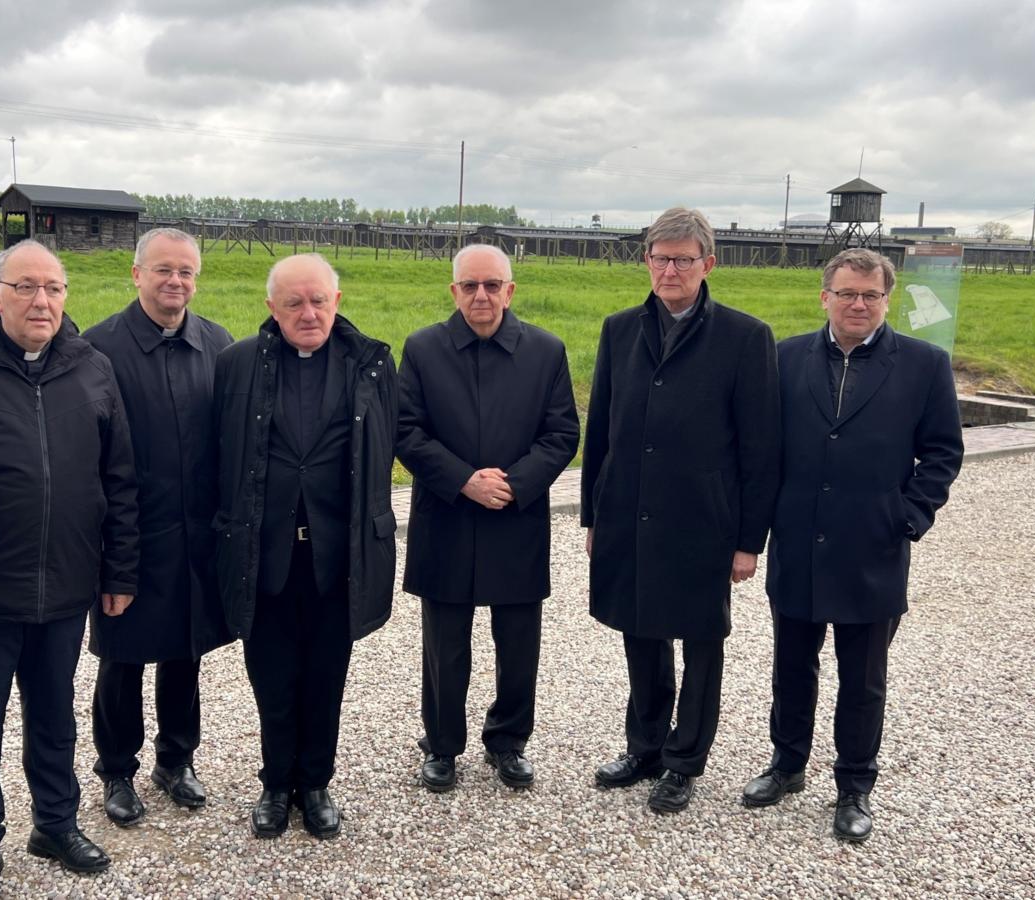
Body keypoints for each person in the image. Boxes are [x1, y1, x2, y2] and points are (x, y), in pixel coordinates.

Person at [0, 240, 139, 900]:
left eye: (55, 289)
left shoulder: (91, 367)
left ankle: (56, 824)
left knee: (54, 716)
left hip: (67, 584)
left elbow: (118, 476)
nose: (43, 301)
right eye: (27, 287)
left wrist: (119, 571)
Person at [743, 248, 963, 842]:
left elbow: (942, 452)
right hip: (798, 543)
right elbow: (763, 451)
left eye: (869, 295)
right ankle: (787, 766)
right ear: (825, 297)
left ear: (886, 300)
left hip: (873, 548)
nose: (857, 304)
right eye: (846, 293)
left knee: (863, 678)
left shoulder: (922, 365)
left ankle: (855, 785)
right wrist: (756, 530)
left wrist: (908, 515)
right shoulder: (785, 359)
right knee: (792, 667)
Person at [581, 207, 780, 815]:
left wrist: (749, 541)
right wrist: (593, 514)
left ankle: (684, 760)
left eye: (683, 259)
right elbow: (604, 430)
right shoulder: (620, 330)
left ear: (707, 264)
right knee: (640, 633)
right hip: (629, 510)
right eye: (659, 257)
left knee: (700, 639)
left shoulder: (746, 338)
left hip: (702, 518)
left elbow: (761, 447)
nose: (669, 269)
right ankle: (644, 746)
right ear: (647, 261)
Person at [211, 253, 398, 839]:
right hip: (263, 555)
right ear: (272, 308)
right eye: (293, 302)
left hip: (336, 556)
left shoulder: (369, 365)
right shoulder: (237, 363)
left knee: (325, 675)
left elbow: (389, 447)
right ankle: (274, 783)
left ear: (337, 301)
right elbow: (219, 451)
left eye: (318, 300)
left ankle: (315, 782)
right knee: (270, 675)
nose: (308, 312)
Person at [396, 243, 578, 792]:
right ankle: (443, 745)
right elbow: (406, 429)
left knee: (519, 642)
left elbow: (563, 433)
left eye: (492, 285)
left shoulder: (545, 351)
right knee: (444, 644)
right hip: (447, 516)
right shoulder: (424, 349)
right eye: (470, 285)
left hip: (515, 519)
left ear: (510, 290)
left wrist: (513, 485)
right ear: (453, 291)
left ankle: (508, 740)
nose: (481, 295)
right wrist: (463, 481)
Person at [82, 227, 234, 825]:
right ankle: (116, 769)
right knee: (121, 657)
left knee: (185, 652)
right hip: (128, 535)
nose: (176, 282)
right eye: (164, 270)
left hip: (195, 534)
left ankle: (176, 759)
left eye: (187, 272)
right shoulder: (97, 351)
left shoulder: (218, 345)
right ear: (137, 274)